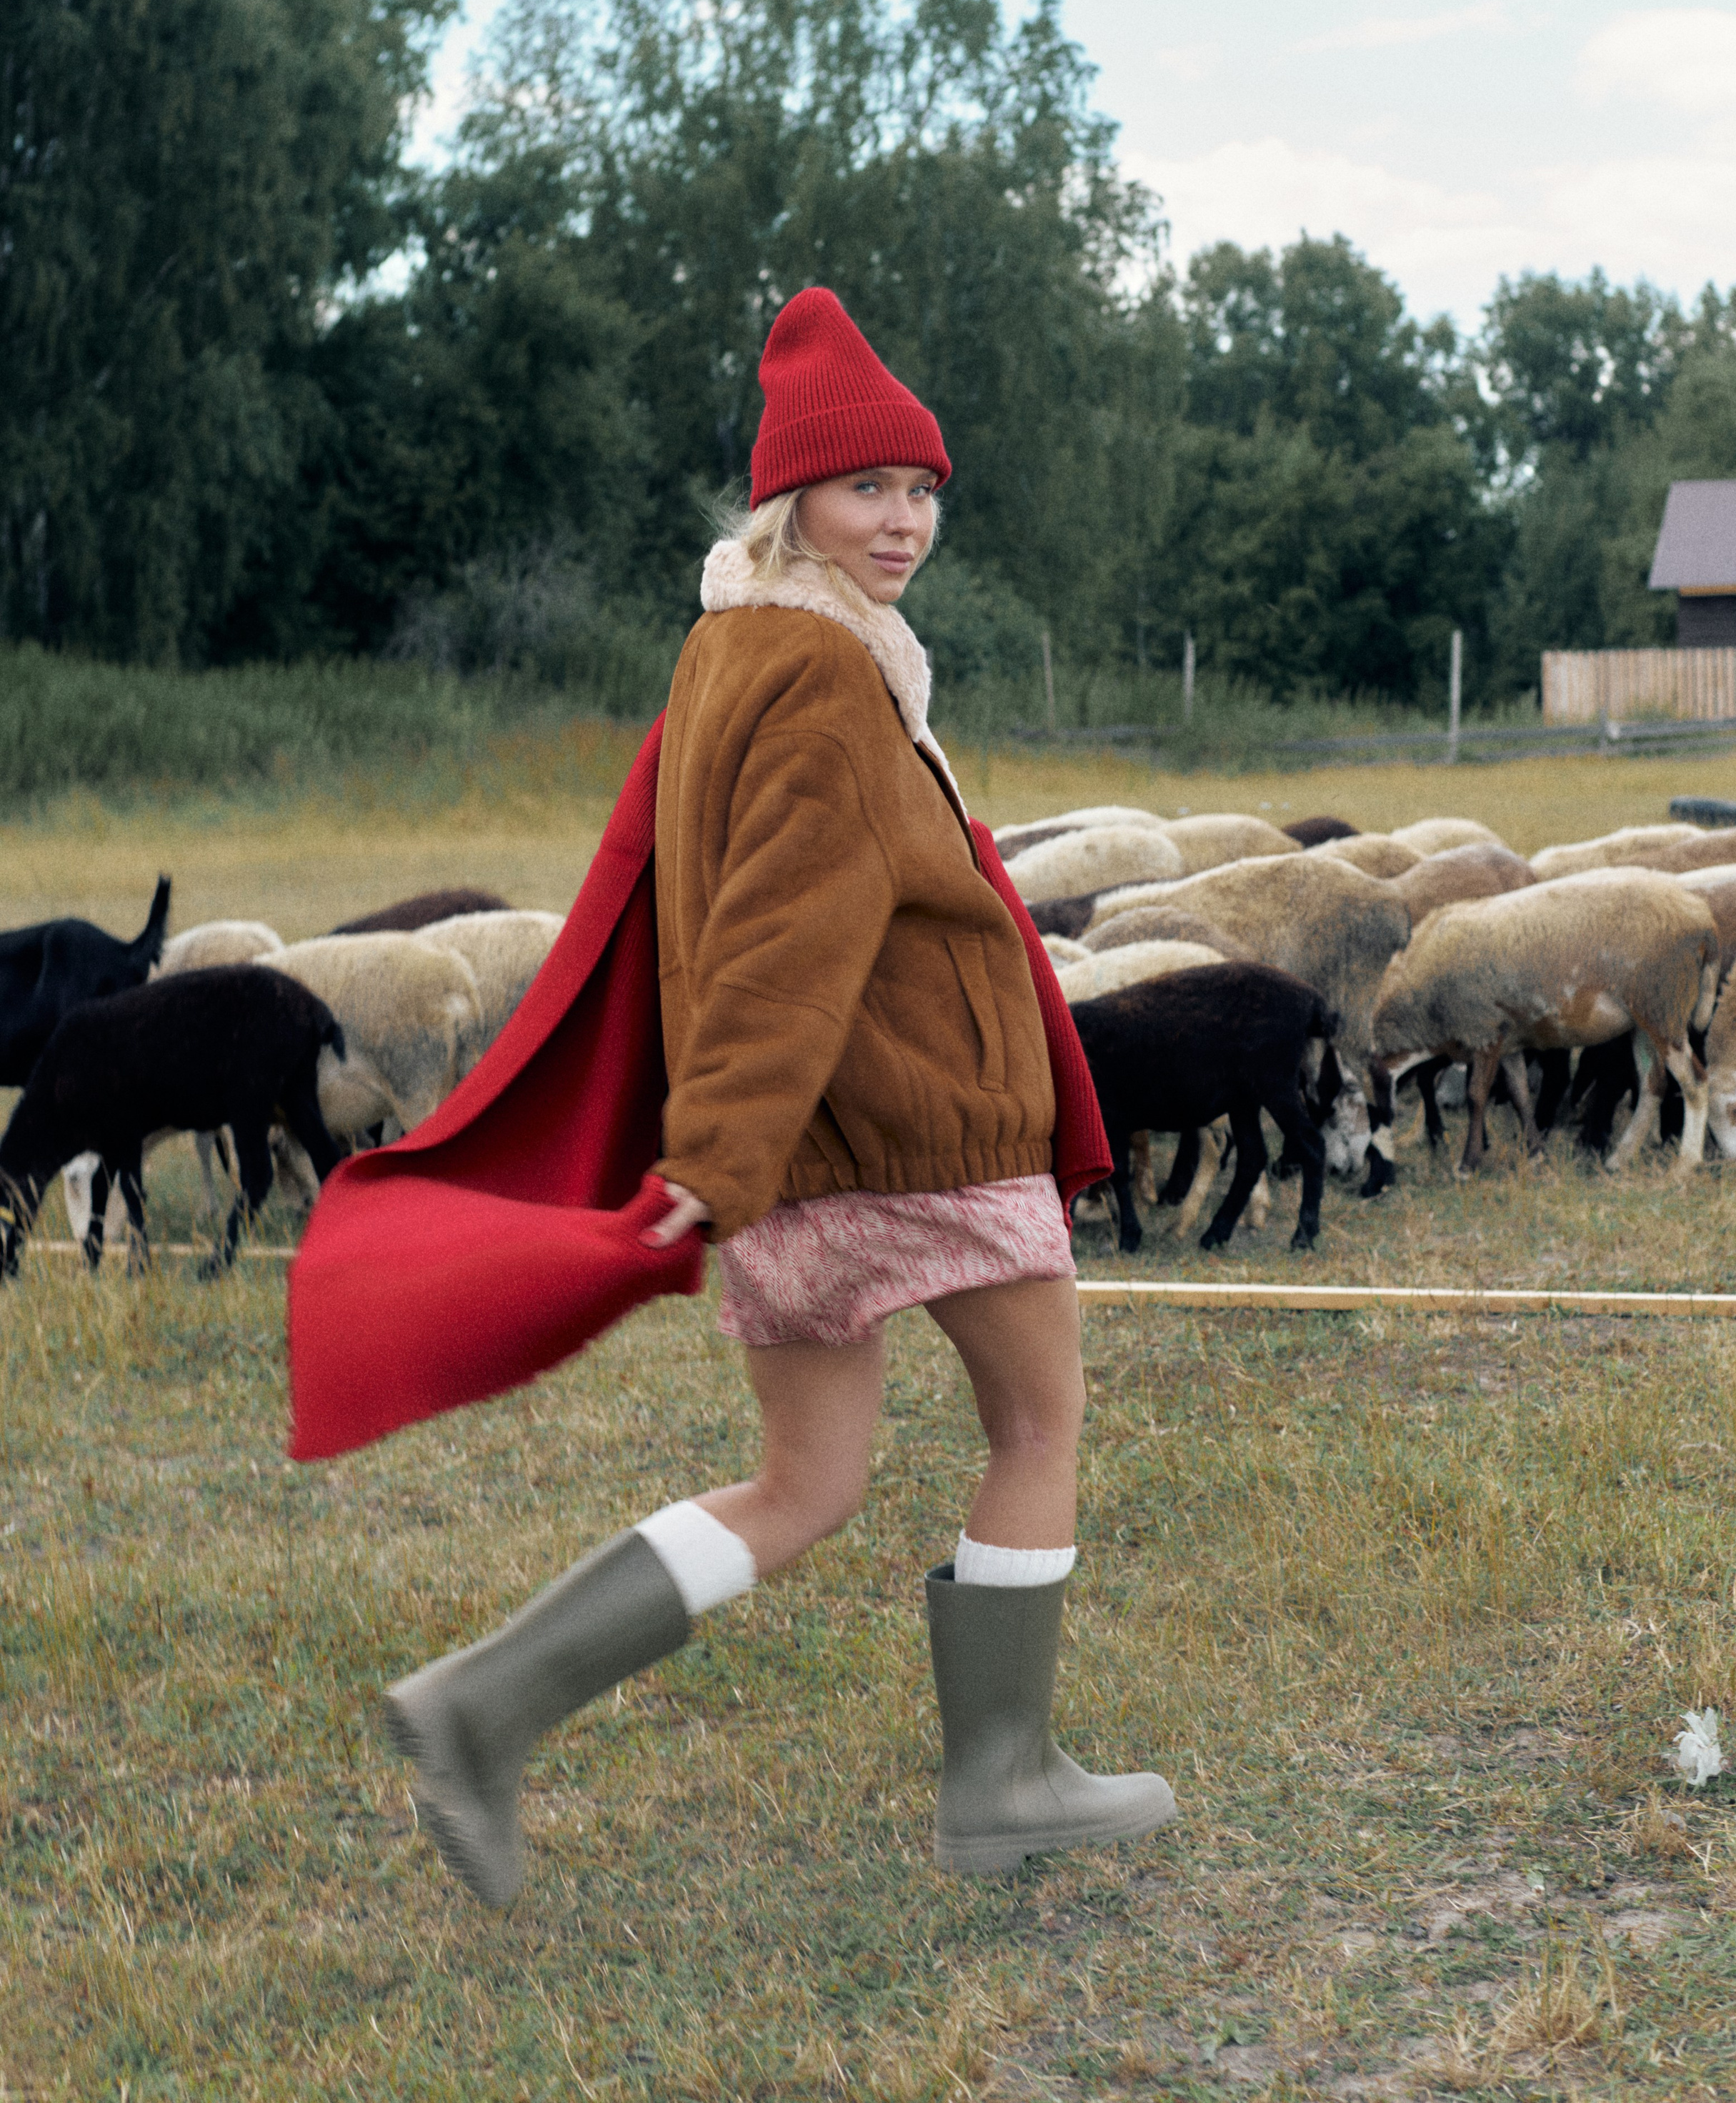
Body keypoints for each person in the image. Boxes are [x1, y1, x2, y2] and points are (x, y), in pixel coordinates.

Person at [384, 288, 1174, 1908]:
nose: (905, 522)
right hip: (911, 1124)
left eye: (925, 491)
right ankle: (1001, 1779)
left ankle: (483, 1702)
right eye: (870, 488)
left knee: (802, 1486)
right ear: (790, 499)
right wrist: (723, 1139)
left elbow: (681, 891)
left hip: (807, 1147)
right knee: (1036, 1420)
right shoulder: (818, 672)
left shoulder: (726, 646)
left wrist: (733, 1147)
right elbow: (785, 922)